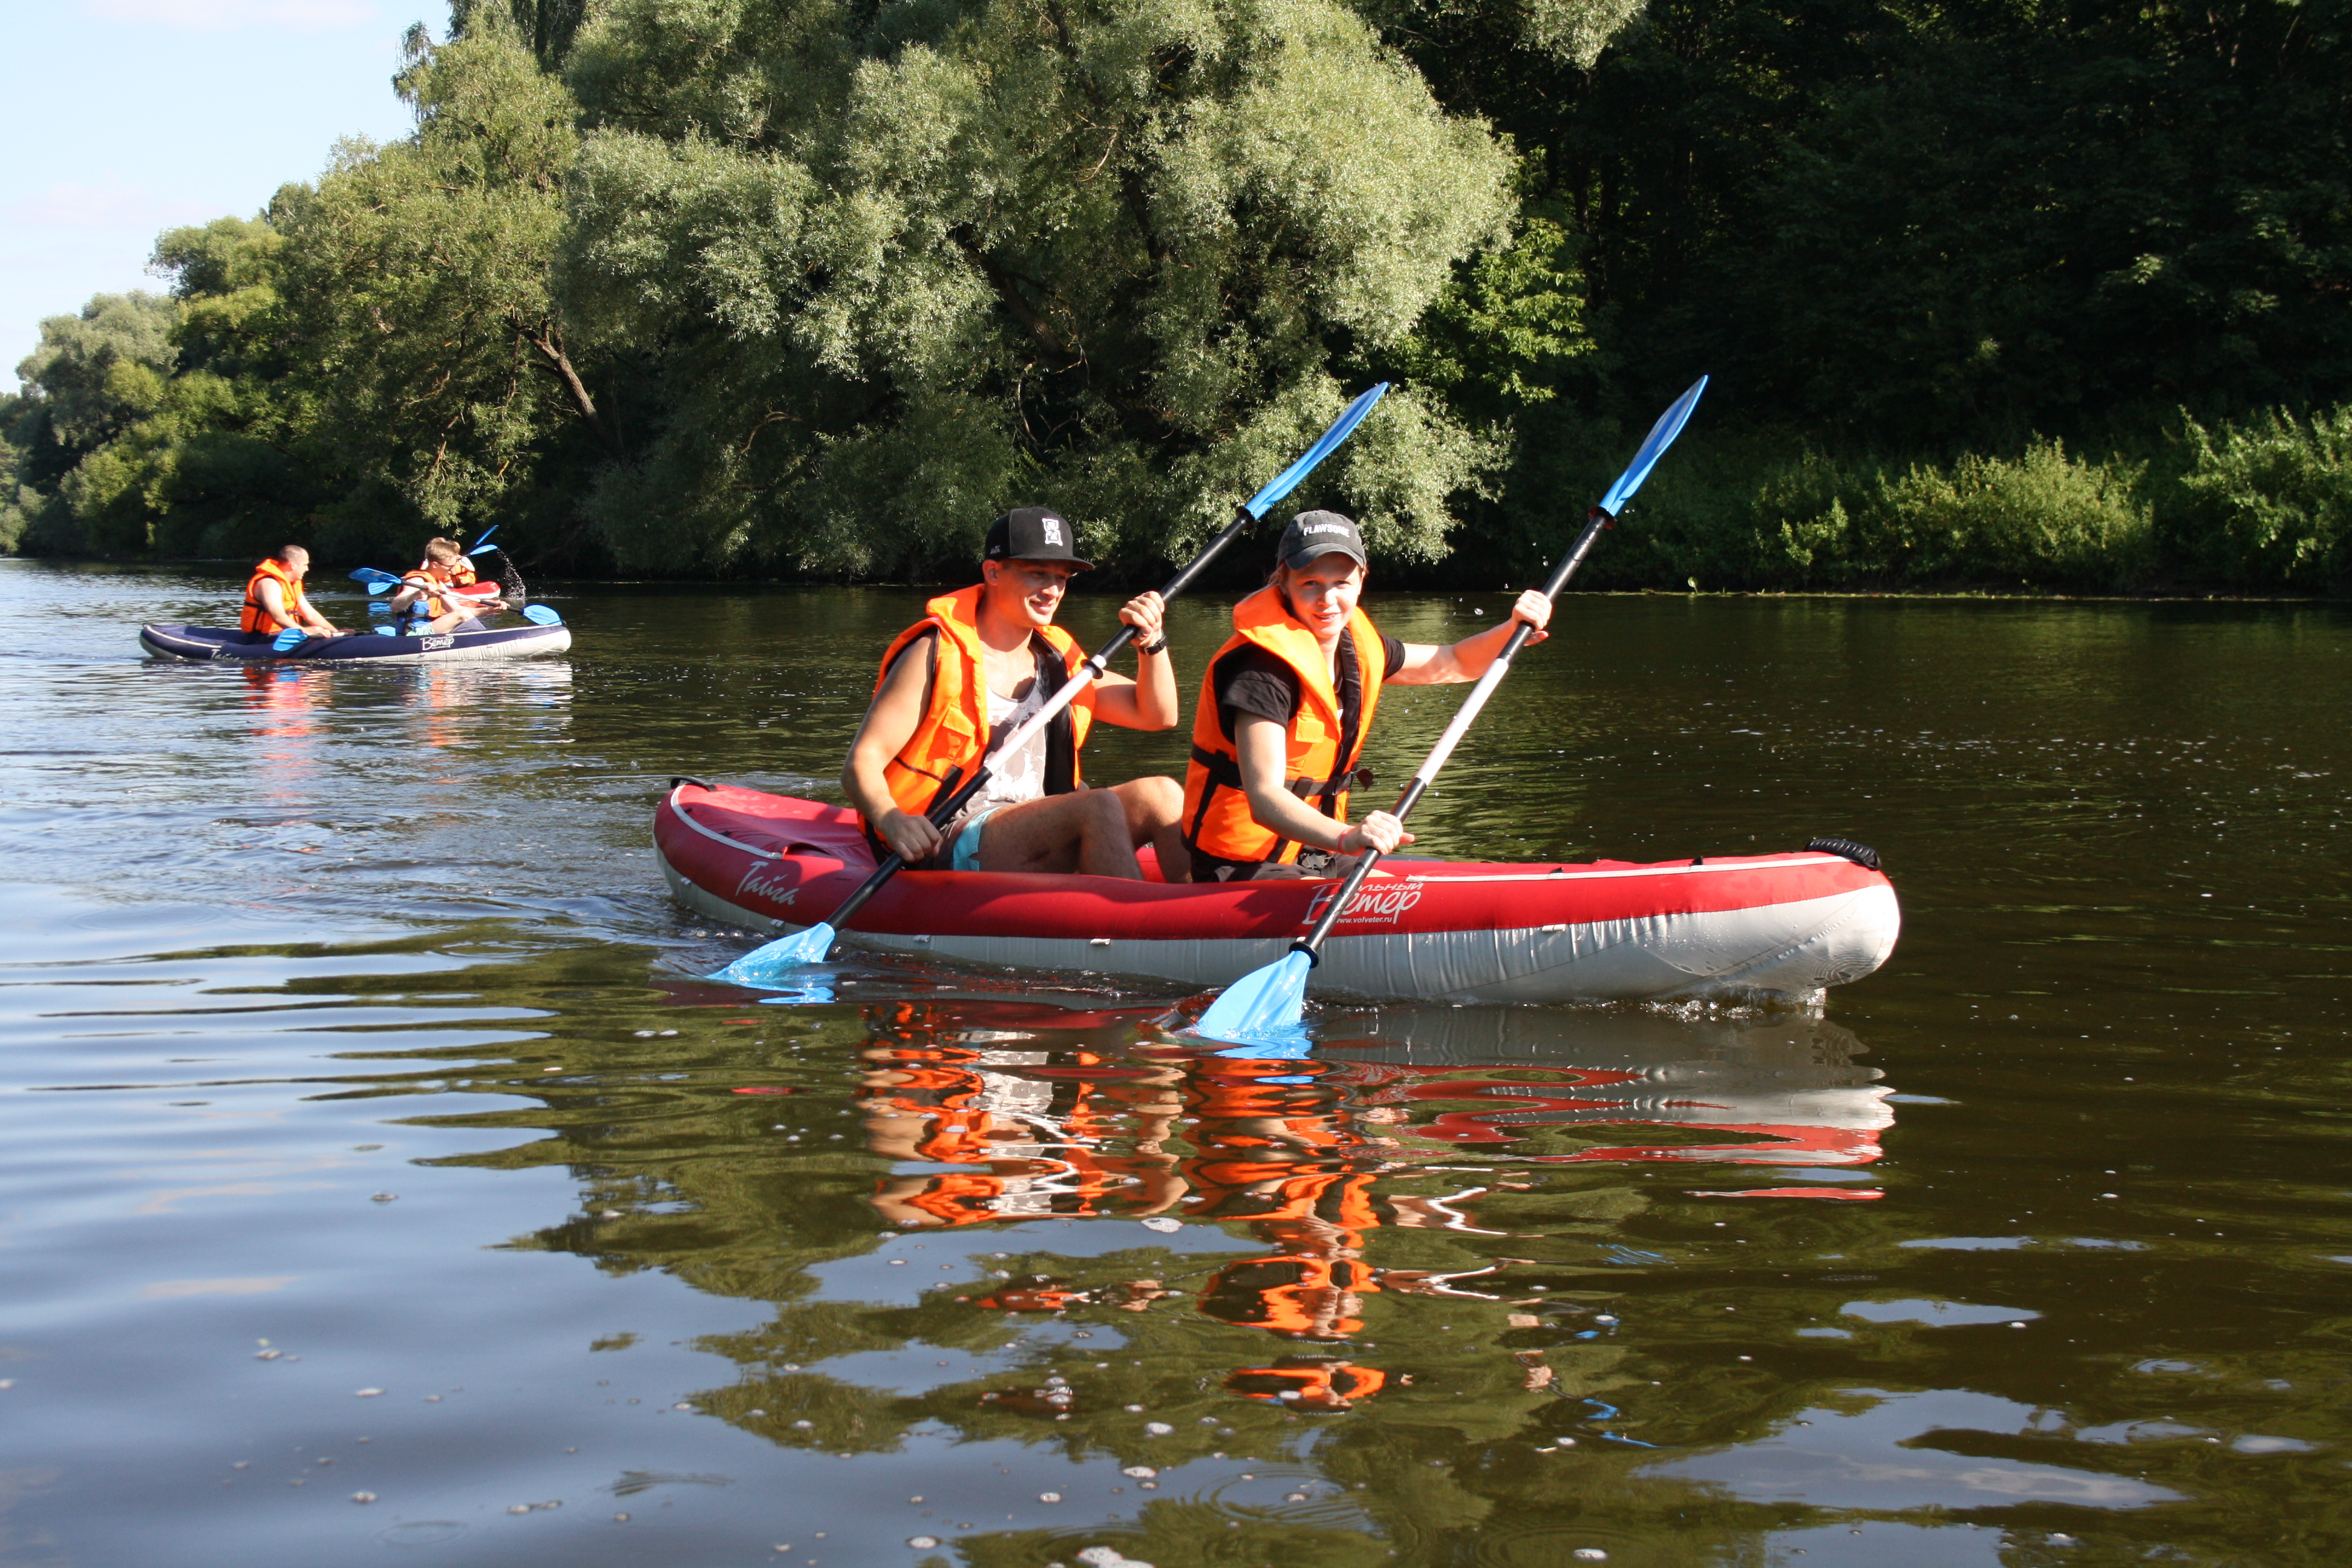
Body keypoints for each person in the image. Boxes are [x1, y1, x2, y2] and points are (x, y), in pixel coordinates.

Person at [1180, 509, 1552, 881]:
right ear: (1283, 583)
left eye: (1341, 583)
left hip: (1311, 853)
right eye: (1310, 583)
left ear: (1361, 579)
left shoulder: (1359, 649)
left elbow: (1454, 662)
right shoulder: (1260, 672)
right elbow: (1264, 798)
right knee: (1357, 901)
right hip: (1240, 866)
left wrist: (1510, 630)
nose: (1328, 599)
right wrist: (1347, 837)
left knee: (1388, 890)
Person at [843, 506, 1189, 879]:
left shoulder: (1059, 660)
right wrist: (892, 820)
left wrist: (1151, 644)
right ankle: (1135, 929)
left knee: (1163, 794)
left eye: (1062, 577)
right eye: (1037, 574)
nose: (1053, 590)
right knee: (1097, 805)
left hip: (1037, 819)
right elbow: (862, 761)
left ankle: (1207, 915)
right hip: (943, 832)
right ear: (993, 572)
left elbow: (1157, 715)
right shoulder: (934, 653)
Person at [390, 537, 505, 633]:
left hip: (428, 630)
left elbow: (459, 610)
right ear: (435, 565)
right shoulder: (418, 581)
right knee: (462, 615)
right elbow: (396, 606)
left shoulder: (439, 585)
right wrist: (417, 594)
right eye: (449, 567)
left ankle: (482, 639)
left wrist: (489, 609)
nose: (452, 571)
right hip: (412, 635)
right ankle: (486, 642)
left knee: (462, 617)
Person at [239, 544, 341, 641]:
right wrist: (305, 631)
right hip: (263, 637)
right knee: (314, 630)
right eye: (305, 565)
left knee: (318, 629)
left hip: (285, 633)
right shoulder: (269, 584)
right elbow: (278, 616)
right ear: (293, 565)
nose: (307, 569)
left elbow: (310, 615)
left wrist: (336, 632)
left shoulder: (293, 585)